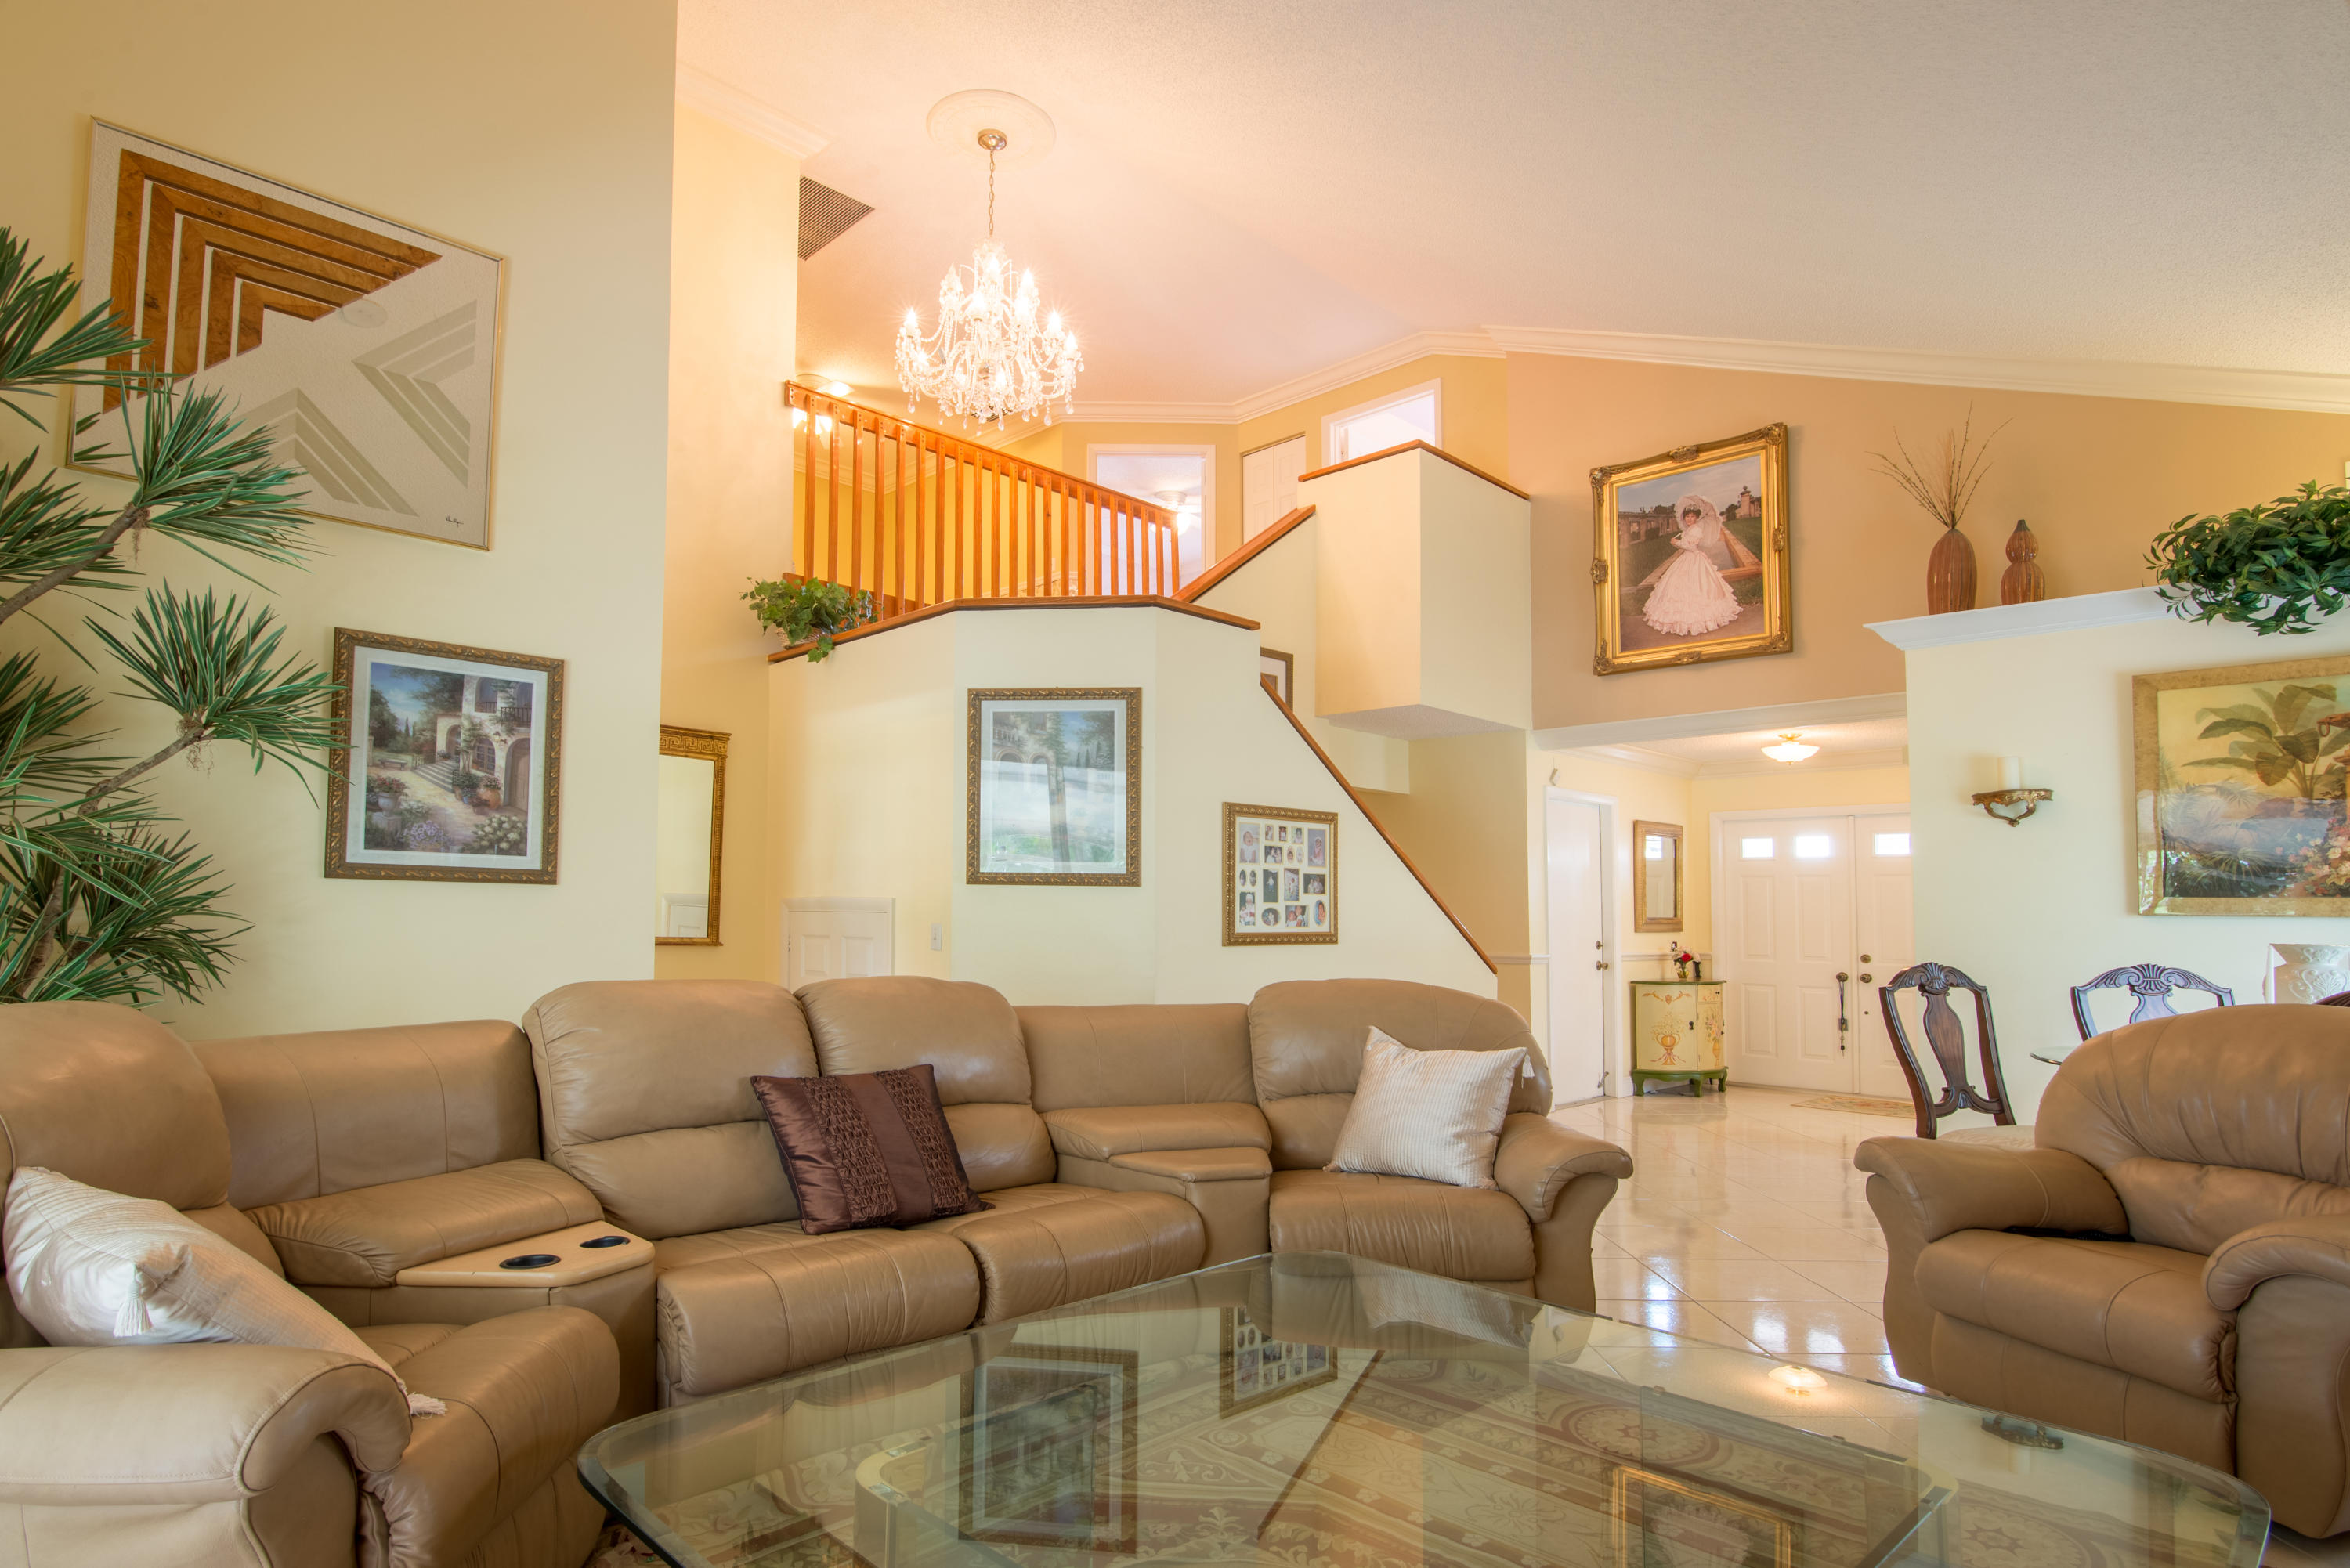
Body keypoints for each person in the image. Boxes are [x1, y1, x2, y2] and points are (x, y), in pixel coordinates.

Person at [1638, 494, 1755, 638]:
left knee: (1698, 586)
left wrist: (1677, 543)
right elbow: (1686, 545)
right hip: (1685, 559)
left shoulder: (1697, 530)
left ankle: (1702, 617)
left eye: (1692, 516)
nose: (1689, 519)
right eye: (1687, 516)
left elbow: (1692, 547)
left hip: (1694, 560)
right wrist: (1678, 542)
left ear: (1697, 518)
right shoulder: (1688, 530)